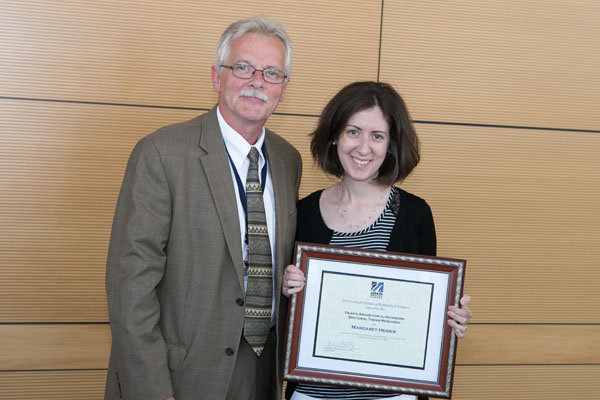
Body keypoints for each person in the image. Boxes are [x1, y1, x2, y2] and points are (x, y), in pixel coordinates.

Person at [104, 16, 301, 400]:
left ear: (283, 88)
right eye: (243, 67)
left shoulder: (286, 159)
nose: (257, 81)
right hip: (180, 376)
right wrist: (152, 389)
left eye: (272, 73)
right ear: (217, 76)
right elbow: (131, 284)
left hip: (263, 371)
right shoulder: (162, 152)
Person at [282, 81, 472, 400]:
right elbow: (290, 322)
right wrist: (288, 291)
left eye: (377, 136)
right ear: (334, 137)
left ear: (391, 145)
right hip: (313, 394)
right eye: (353, 131)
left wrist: (449, 316)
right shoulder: (303, 213)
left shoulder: (415, 215)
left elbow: (421, 317)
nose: (363, 147)